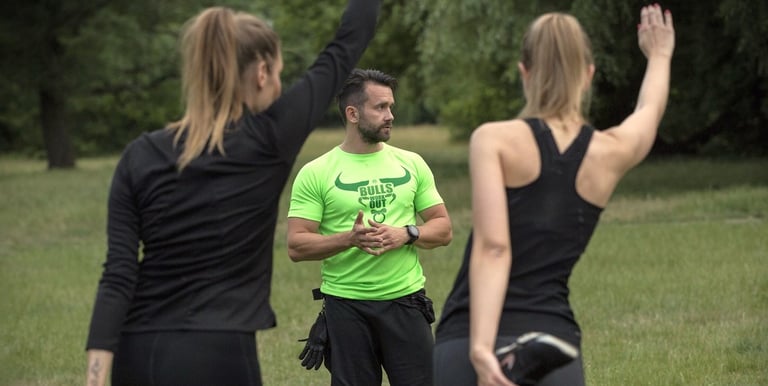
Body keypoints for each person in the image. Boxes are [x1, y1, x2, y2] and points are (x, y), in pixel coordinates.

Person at [84, 1, 380, 385]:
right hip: (220, 354)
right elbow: (350, 39)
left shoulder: (140, 155)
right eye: (277, 74)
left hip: (141, 353)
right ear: (260, 73)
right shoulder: (269, 140)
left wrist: (94, 377)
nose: (278, 86)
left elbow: (119, 275)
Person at [434, 4, 675, 386]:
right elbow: (649, 109)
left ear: (524, 72)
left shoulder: (494, 140)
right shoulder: (610, 152)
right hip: (554, 347)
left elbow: (494, 248)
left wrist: (482, 352)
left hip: (469, 340)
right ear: (589, 76)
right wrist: (660, 55)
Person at [286, 68, 453, 386]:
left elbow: (443, 228)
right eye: (380, 107)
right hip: (346, 308)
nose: (390, 115)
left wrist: (406, 233)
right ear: (352, 113)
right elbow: (296, 245)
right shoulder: (316, 172)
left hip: (406, 302)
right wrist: (350, 238)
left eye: (391, 107)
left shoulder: (412, 163)